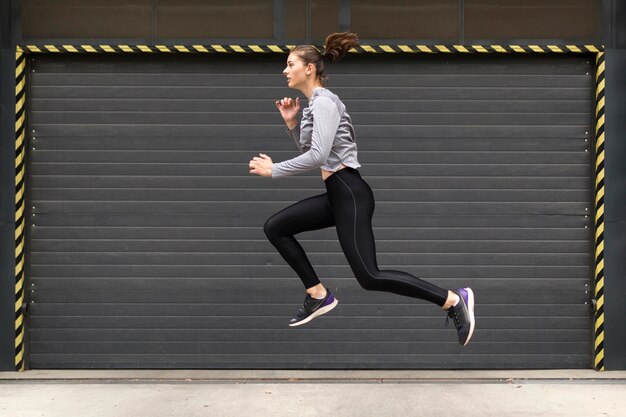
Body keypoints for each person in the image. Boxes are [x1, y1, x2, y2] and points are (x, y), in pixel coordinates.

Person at [248, 32, 475, 346]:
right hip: (338, 194)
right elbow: (311, 148)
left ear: (309, 68)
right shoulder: (316, 104)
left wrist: (275, 170)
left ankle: (453, 299)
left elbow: (318, 156)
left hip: (349, 192)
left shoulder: (325, 102)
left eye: (290, 64)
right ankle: (318, 294)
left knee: (370, 276)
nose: (285, 71)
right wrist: (292, 123)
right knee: (276, 227)